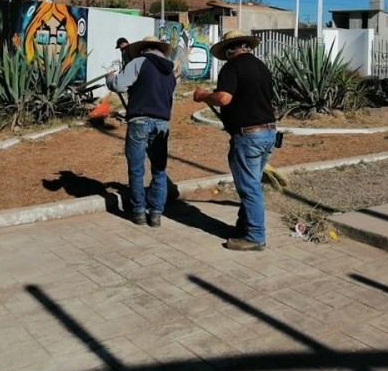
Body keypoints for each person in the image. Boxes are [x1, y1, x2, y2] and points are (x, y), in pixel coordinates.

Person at [192, 29, 276, 252]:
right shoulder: (261, 67)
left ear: (229, 50)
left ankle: (255, 236)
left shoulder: (232, 67)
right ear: (246, 46)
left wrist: (203, 96)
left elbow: (224, 98)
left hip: (248, 136)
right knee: (252, 184)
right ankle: (244, 227)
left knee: (249, 188)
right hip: (268, 133)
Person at [106, 35, 176, 227]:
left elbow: (119, 85)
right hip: (162, 123)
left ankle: (138, 212)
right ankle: (155, 214)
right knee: (159, 170)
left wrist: (110, 79)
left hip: (139, 120)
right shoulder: (170, 71)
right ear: (160, 50)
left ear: (143, 49)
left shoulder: (139, 63)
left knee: (137, 169)